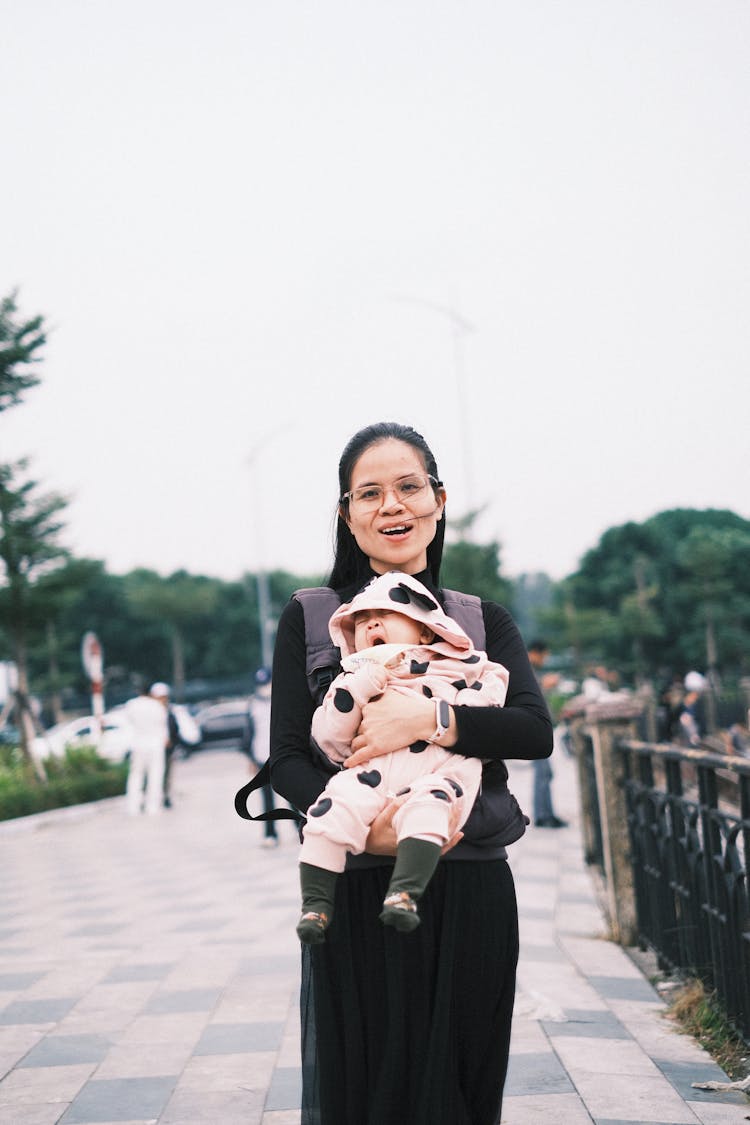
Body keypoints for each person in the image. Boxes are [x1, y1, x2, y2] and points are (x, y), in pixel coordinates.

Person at [270, 421, 553, 1125]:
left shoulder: (482, 623)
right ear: (347, 514)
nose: (391, 505)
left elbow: (533, 730)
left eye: (408, 486)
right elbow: (285, 760)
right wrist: (373, 832)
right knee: (365, 1088)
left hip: (472, 880)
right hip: (358, 890)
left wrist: (431, 721)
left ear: (438, 498)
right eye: (369, 492)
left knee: (459, 1083)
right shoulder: (312, 618)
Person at [297, 569, 526, 943]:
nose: (370, 624)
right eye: (360, 622)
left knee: (431, 805)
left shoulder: (460, 664)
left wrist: (445, 713)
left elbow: (492, 696)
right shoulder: (352, 675)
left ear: (424, 629)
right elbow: (330, 740)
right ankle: (316, 903)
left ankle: (404, 893)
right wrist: (357, 687)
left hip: (437, 770)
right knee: (330, 811)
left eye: (384, 615)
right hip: (372, 774)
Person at [527, 639, 568, 829]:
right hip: (534, 729)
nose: (544, 660)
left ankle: (546, 813)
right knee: (543, 772)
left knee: (545, 772)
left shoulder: (528, 668)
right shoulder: (525, 667)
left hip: (537, 728)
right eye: (544, 656)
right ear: (536, 653)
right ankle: (544, 816)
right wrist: (545, 684)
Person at [124, 681, 169, 816]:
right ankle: (153, 806)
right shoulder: (157, 706)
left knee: (135, 776)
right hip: (155, 745)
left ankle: (133, 806)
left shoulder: (131, 705)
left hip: (138, 743)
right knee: (155, 775)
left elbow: (128, 723)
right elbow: (163, 725)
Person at [248, 667, 280, 849]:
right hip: (261, 756)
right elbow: (249, 733)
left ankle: (299, 825)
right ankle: (270, 833)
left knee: (291, 792)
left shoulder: (281, 701)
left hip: (281, 754)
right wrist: (251, 758)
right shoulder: (253, 704)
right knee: (267, 799)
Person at [150, 682, 180, 809]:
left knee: (166, 774)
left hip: (167, 749)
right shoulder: (150, 711)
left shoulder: (169, 711)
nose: (163, 699)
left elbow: (174, 728)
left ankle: (165, 796)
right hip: (153, 748)